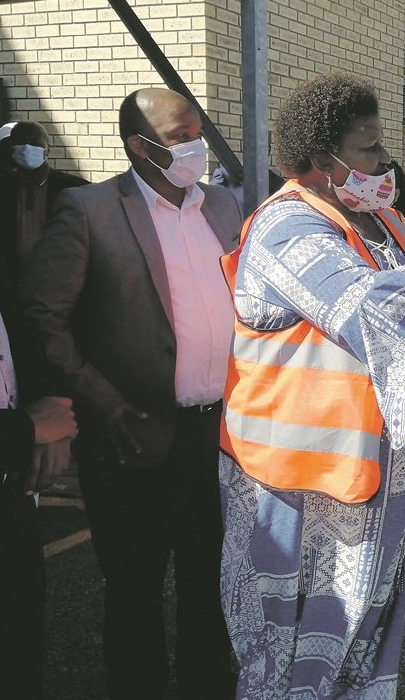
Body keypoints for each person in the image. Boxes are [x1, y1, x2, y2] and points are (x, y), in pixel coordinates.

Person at [219, 71, 405, 699]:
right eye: (369, 149)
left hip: (369, 482)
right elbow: (372, 315)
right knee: (286, 658)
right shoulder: (286, 227)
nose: (386, 160)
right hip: (291, 487)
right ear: (319, 159)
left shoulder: (383, 220)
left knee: (362, 643)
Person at [21, 87, 242, 700]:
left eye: (197, 131)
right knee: (135, 590)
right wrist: (100, 400)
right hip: (130, 433)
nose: (195, 145)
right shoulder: (90, 210)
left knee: (211, 581)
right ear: (137, 146)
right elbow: (44, 315)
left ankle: (207, 686)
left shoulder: (223, 207)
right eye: (178, 137)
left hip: (217, 436)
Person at [0, 230, 78, 700]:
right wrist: (25, 430)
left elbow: (18, 331)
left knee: (16, 657)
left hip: (12, 492)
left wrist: (53, 408)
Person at [0, 120, 88, 276]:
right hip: (12, 283)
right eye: (21, 142)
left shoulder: (75, 188)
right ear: (12, 149)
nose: (28, 147)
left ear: (47, 149)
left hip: (61, 281)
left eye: (35, 142)